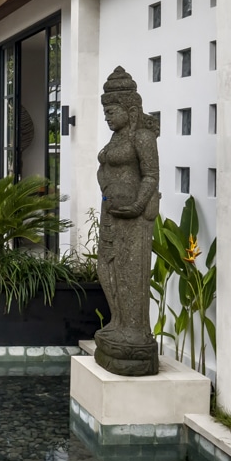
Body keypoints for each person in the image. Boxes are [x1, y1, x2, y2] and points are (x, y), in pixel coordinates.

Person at [92, 66, 161, 377]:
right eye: (105, 111)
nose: (107, 116)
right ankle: (117, 322)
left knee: (130, 272)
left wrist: (136, 204)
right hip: (111, 213)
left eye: (112, 110)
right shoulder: (115, 138)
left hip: (133, 217)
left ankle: (134, 334)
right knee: (105, 267)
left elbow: (151, 175)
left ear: (129, 110)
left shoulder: (142, 136)